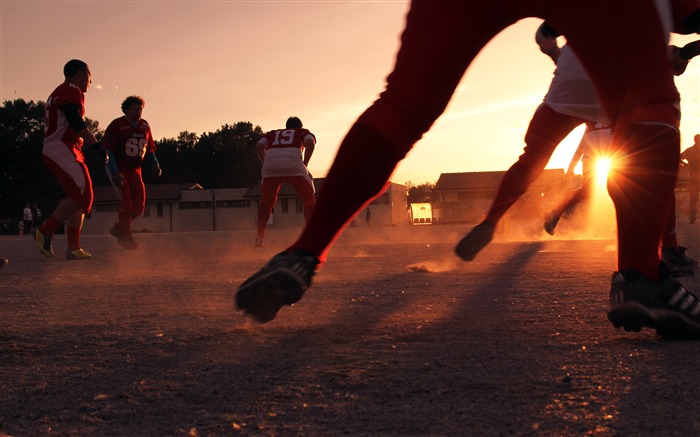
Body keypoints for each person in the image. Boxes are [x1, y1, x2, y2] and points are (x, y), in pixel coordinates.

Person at [236, 1, 700, 340]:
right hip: (601, 82)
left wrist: (555, 42)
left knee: (403, 106)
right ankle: (644, 274)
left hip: (560, 86)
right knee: (650, 110)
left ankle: (302, 253)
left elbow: (545, 38)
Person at [35, 59, 100, 260]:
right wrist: (95, 144)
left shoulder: (63, 91)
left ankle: (73, 246)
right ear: (80, 74)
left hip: (66, 147)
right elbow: (74, 118)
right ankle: (45, 230)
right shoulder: (71, 89)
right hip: (61, 146)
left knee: (78, 197)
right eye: (89, 75)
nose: (91, 80)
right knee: (83, 193)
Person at [102, 96, 161, 249]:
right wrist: (114, 172)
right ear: (126, 109)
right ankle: (126, 238)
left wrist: (155, 165)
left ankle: (120, 228)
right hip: (119, 168)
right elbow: (109, 151)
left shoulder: (145, 126)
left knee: (139, 206)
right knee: (127, 204)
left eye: (140, 109)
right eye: (135, 109)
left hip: (136, 169)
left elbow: (149, 150)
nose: (139, 112)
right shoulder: (117, 125)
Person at [253, 116, 316, 248]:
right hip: (294, 165)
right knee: (309, 199)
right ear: (299, 126)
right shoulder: (302, 132)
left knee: (267, 202)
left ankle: (260, 236)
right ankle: (312, 236)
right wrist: (305, 164)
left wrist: (266, 163)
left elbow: (259, 146)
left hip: (270, 167)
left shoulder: (271, 134)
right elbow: (310, 142)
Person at [680, 134, 700, 223]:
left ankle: (692, 219)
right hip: (693, 178)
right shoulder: (690, 151)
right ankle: (692, 218)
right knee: (693, 199)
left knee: (693, 199)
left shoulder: (689, 150)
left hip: (693, 178)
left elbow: (679, 157)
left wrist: (686, 165)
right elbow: (679, 157)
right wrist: (686, 165)